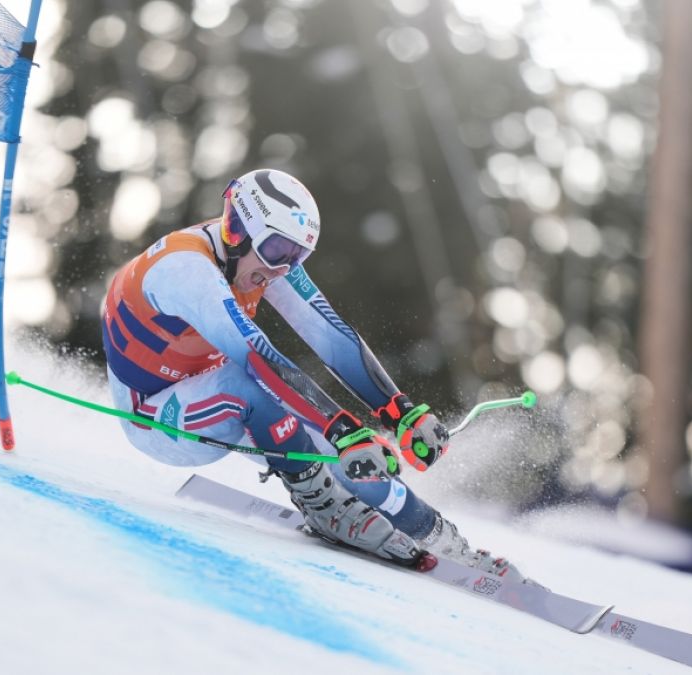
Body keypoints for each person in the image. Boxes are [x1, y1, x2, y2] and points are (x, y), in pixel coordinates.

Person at [101, 168, 528, 580]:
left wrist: (400, 411)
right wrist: (345, 428)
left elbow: (332, 337)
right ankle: (322, 505)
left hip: (213, 394)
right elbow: (256, 357)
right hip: (157, 417)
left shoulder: (261, 254)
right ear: (236, 229)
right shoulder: (187, 269)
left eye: (297, 256)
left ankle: (439, 538)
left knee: (358, 462)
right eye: (278, 254)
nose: (282, 269)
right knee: (254, 387)